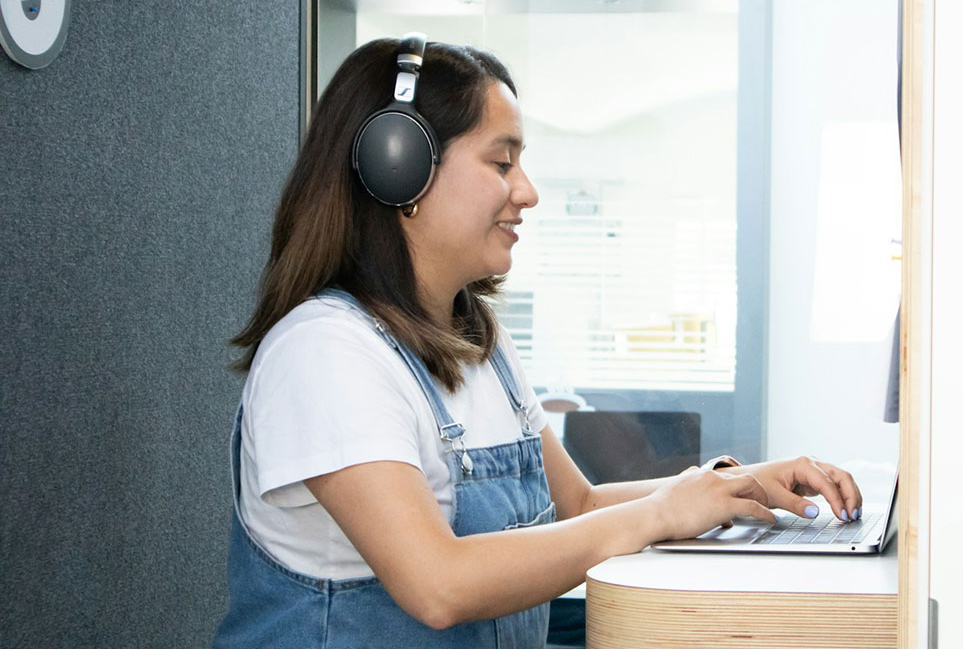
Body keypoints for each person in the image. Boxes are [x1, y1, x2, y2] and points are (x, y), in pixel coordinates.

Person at [212, 35, 863, 648]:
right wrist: (662, 510)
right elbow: (438, 582)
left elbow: (576, 506)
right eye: (502, 161)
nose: (527, 191)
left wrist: (731, 487)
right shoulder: (324, 353)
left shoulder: (478, 341)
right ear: (398, 167)